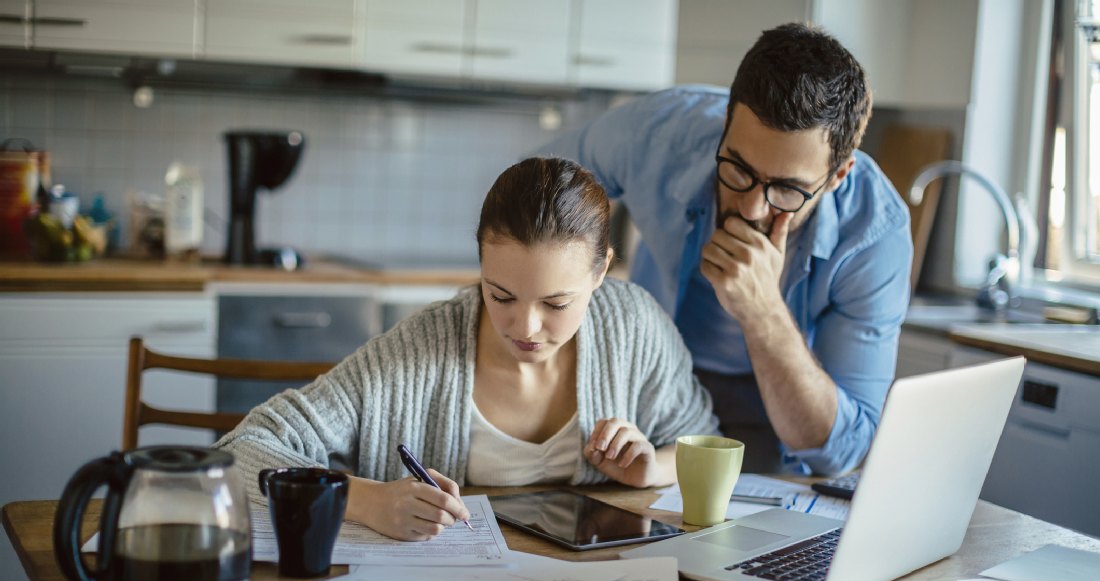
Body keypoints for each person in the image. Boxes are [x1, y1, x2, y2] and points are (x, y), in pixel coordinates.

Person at [215, 156, 718, 541]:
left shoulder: (634, 325)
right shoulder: (417, 353)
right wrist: (364, 500)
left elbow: (705, 445)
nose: (526, 326)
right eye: (500, 295)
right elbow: (241, 451)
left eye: (556, 302)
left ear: (601, 271)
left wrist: (652, 467)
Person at [538, 22, 913, 477]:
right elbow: (535, 187)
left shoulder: (875, 234)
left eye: (788, 189)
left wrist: (763, 312)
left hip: (776, 416)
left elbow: (840, 451)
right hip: (648, 389)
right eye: (737, 167)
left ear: (838, 176)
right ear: (726, 124)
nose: (753, 206)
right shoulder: (658, 135)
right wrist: (586, 286)